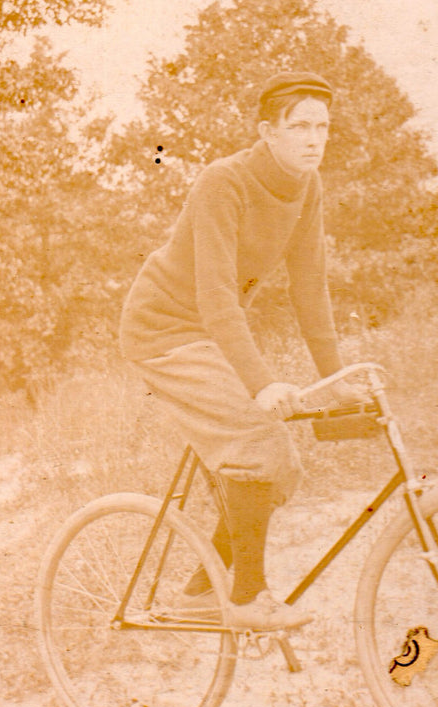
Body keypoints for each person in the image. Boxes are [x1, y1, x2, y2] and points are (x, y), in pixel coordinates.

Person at [119, 71, 359, 631]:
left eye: (323, 127)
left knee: (281, 466)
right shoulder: (223, 181)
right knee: (260, 441)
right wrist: (261, 383)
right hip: (164, 330)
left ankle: (200, 591)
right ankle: (248, 599)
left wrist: (337, 379)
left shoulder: (307, 186)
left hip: (209, 330)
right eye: (300, 127)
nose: (314, 140)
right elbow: (216, 296)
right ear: (267, 131)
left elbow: (310, 287)